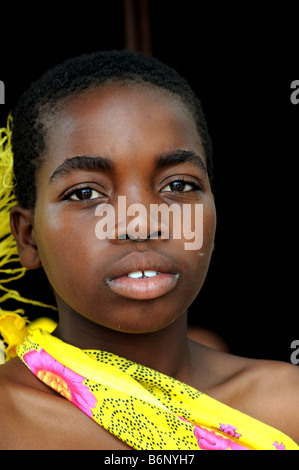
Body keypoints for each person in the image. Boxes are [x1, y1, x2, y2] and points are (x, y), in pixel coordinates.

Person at [0, 50, 298, 450]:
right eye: (86, 193)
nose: (141, 223)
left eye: (179, 186)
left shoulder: (289, 404)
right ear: (29, 236)